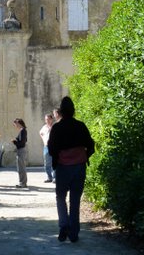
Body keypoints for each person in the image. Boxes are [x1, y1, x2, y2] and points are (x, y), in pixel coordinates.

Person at [48, 96, 95, 243]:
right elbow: (91, 145)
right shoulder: (81, 126)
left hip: (62, 167)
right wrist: (83, 156)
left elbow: (51, 149)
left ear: (60, 112)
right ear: (73, 111)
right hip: (79, 168)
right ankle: (74, 233)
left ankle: (63, 226)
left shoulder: (56, 128)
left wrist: (59, 158)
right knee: (75, 200)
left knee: (60, 197)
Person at [11, 118, 28, 188]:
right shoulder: (23, 131)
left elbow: (21, 143)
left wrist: (14, 141)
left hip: (21, 150)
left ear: (19, 124)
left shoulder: (22, 131)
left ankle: (23, 183)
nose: (15, 126)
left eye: (16, 124)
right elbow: (24, 141)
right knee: (21, 167)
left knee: (21, 168)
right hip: (21, 150)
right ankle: (22, 182)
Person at [39, 113, 55, 183]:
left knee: (54, 162)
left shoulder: (55, 126)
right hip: (46, 147)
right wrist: (44, 140)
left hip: (54, 147)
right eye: (46, 119)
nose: (47, 121)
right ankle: (49, 177)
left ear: (52, 119)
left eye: (48, 119)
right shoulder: (44, 127)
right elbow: (40, 133)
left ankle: (55, 178)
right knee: (46, 163)